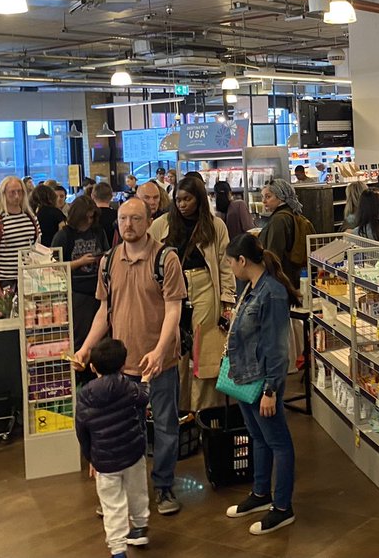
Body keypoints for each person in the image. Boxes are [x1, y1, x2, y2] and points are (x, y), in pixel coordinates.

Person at [74, 198, 188, 516]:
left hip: (159, 363)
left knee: (165, 425)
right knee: (125, 428)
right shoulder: (109, 262)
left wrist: (161, 349)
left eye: (135, 218)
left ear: (149, 220)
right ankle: (126, 490)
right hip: (121, 365)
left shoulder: (166, 259)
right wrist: (86, 348)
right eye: (123, 218)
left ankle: (164, 486)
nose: (128, 225)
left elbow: (173, 310)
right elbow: (104, 312)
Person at [222, 232, 300, 536]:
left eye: (230, 262)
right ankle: (260, 493)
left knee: (278, 441)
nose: (230, 268)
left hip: (261, 381)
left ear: (242, 261)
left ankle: (282, 507)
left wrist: (270, 390)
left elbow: (277, 348)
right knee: (257, 436)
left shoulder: (272, 293)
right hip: (243, 375)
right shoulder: (251, 287)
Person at [150, 176, 236, 412]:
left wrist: (227, 301)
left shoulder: (215, 225)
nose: (182, 204)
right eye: (177, 199)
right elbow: (149, 255)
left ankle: (204, 413)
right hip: (172, 287)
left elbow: (224, 263)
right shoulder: (161, 224)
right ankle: (180, 411)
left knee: (204, 350)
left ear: (199, 199)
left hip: (205, 285)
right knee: (175, 348)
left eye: (187, 199)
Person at [75, 338, 152, 558]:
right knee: (137, 493)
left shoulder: (85, 395)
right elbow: (143, 398)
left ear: (92, 367)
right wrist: (145, 380)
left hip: (105, 461)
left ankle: (118, 549)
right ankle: (139, 528)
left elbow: (82, 431)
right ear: (122, 365)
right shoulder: (127, 385)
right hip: (133, 453)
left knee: (112, 505)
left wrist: (91, 458)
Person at [52, 197, 110, 355]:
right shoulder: (64, 235)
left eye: (92, 217)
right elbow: (54, 267)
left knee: (102, 336)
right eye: (87, 217)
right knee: (81, 336)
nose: (90, 221)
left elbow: (108, 252)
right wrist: (79, 262)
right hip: (77, 291)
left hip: (98, 288)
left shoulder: (98, 231)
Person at [0, 175, 40, 296]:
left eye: (19, 192)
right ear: (3, 194)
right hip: (6, 281)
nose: (17, 196)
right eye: (12, 192)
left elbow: (38, 247)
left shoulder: (31, 218)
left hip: (31, 278)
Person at [260, 179, 308, 288]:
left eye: (268, 196)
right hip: (293, 275)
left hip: (282, 279)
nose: (264, 201)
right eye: (262, 197)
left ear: (280, 196)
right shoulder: (291, 214)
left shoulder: (279, 219)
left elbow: (274, 254)